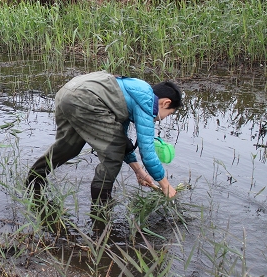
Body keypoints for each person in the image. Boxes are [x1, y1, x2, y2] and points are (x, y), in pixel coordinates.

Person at [25, 70, 182, 206]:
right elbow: (147, 152)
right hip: (85, 97)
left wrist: (139, 171)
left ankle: (34, 178)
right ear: (166, 103)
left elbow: (121, 139)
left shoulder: (133, 92)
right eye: (169, 113)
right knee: (113, 154)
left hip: (68, 93)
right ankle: (101, 204)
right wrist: (165, 185)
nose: (163, 118)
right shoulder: (148, 102)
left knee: (69, 146)